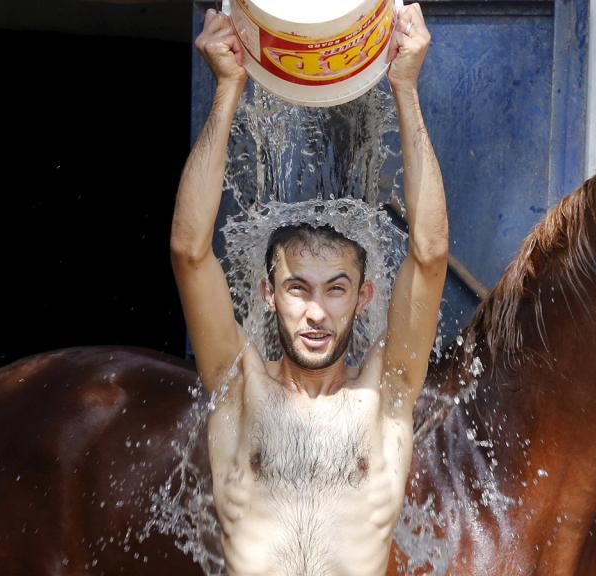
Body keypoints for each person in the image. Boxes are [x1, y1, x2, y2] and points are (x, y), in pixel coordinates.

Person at [169, 4, 447, 574]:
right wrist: (227, 89)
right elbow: (189, 251)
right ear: (269, 295)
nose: (316, 311)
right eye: (297, 288)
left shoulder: (385, 393)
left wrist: (406, 87)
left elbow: (431, 253)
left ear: (364, 297)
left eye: (336, 289)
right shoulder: (237, 386)